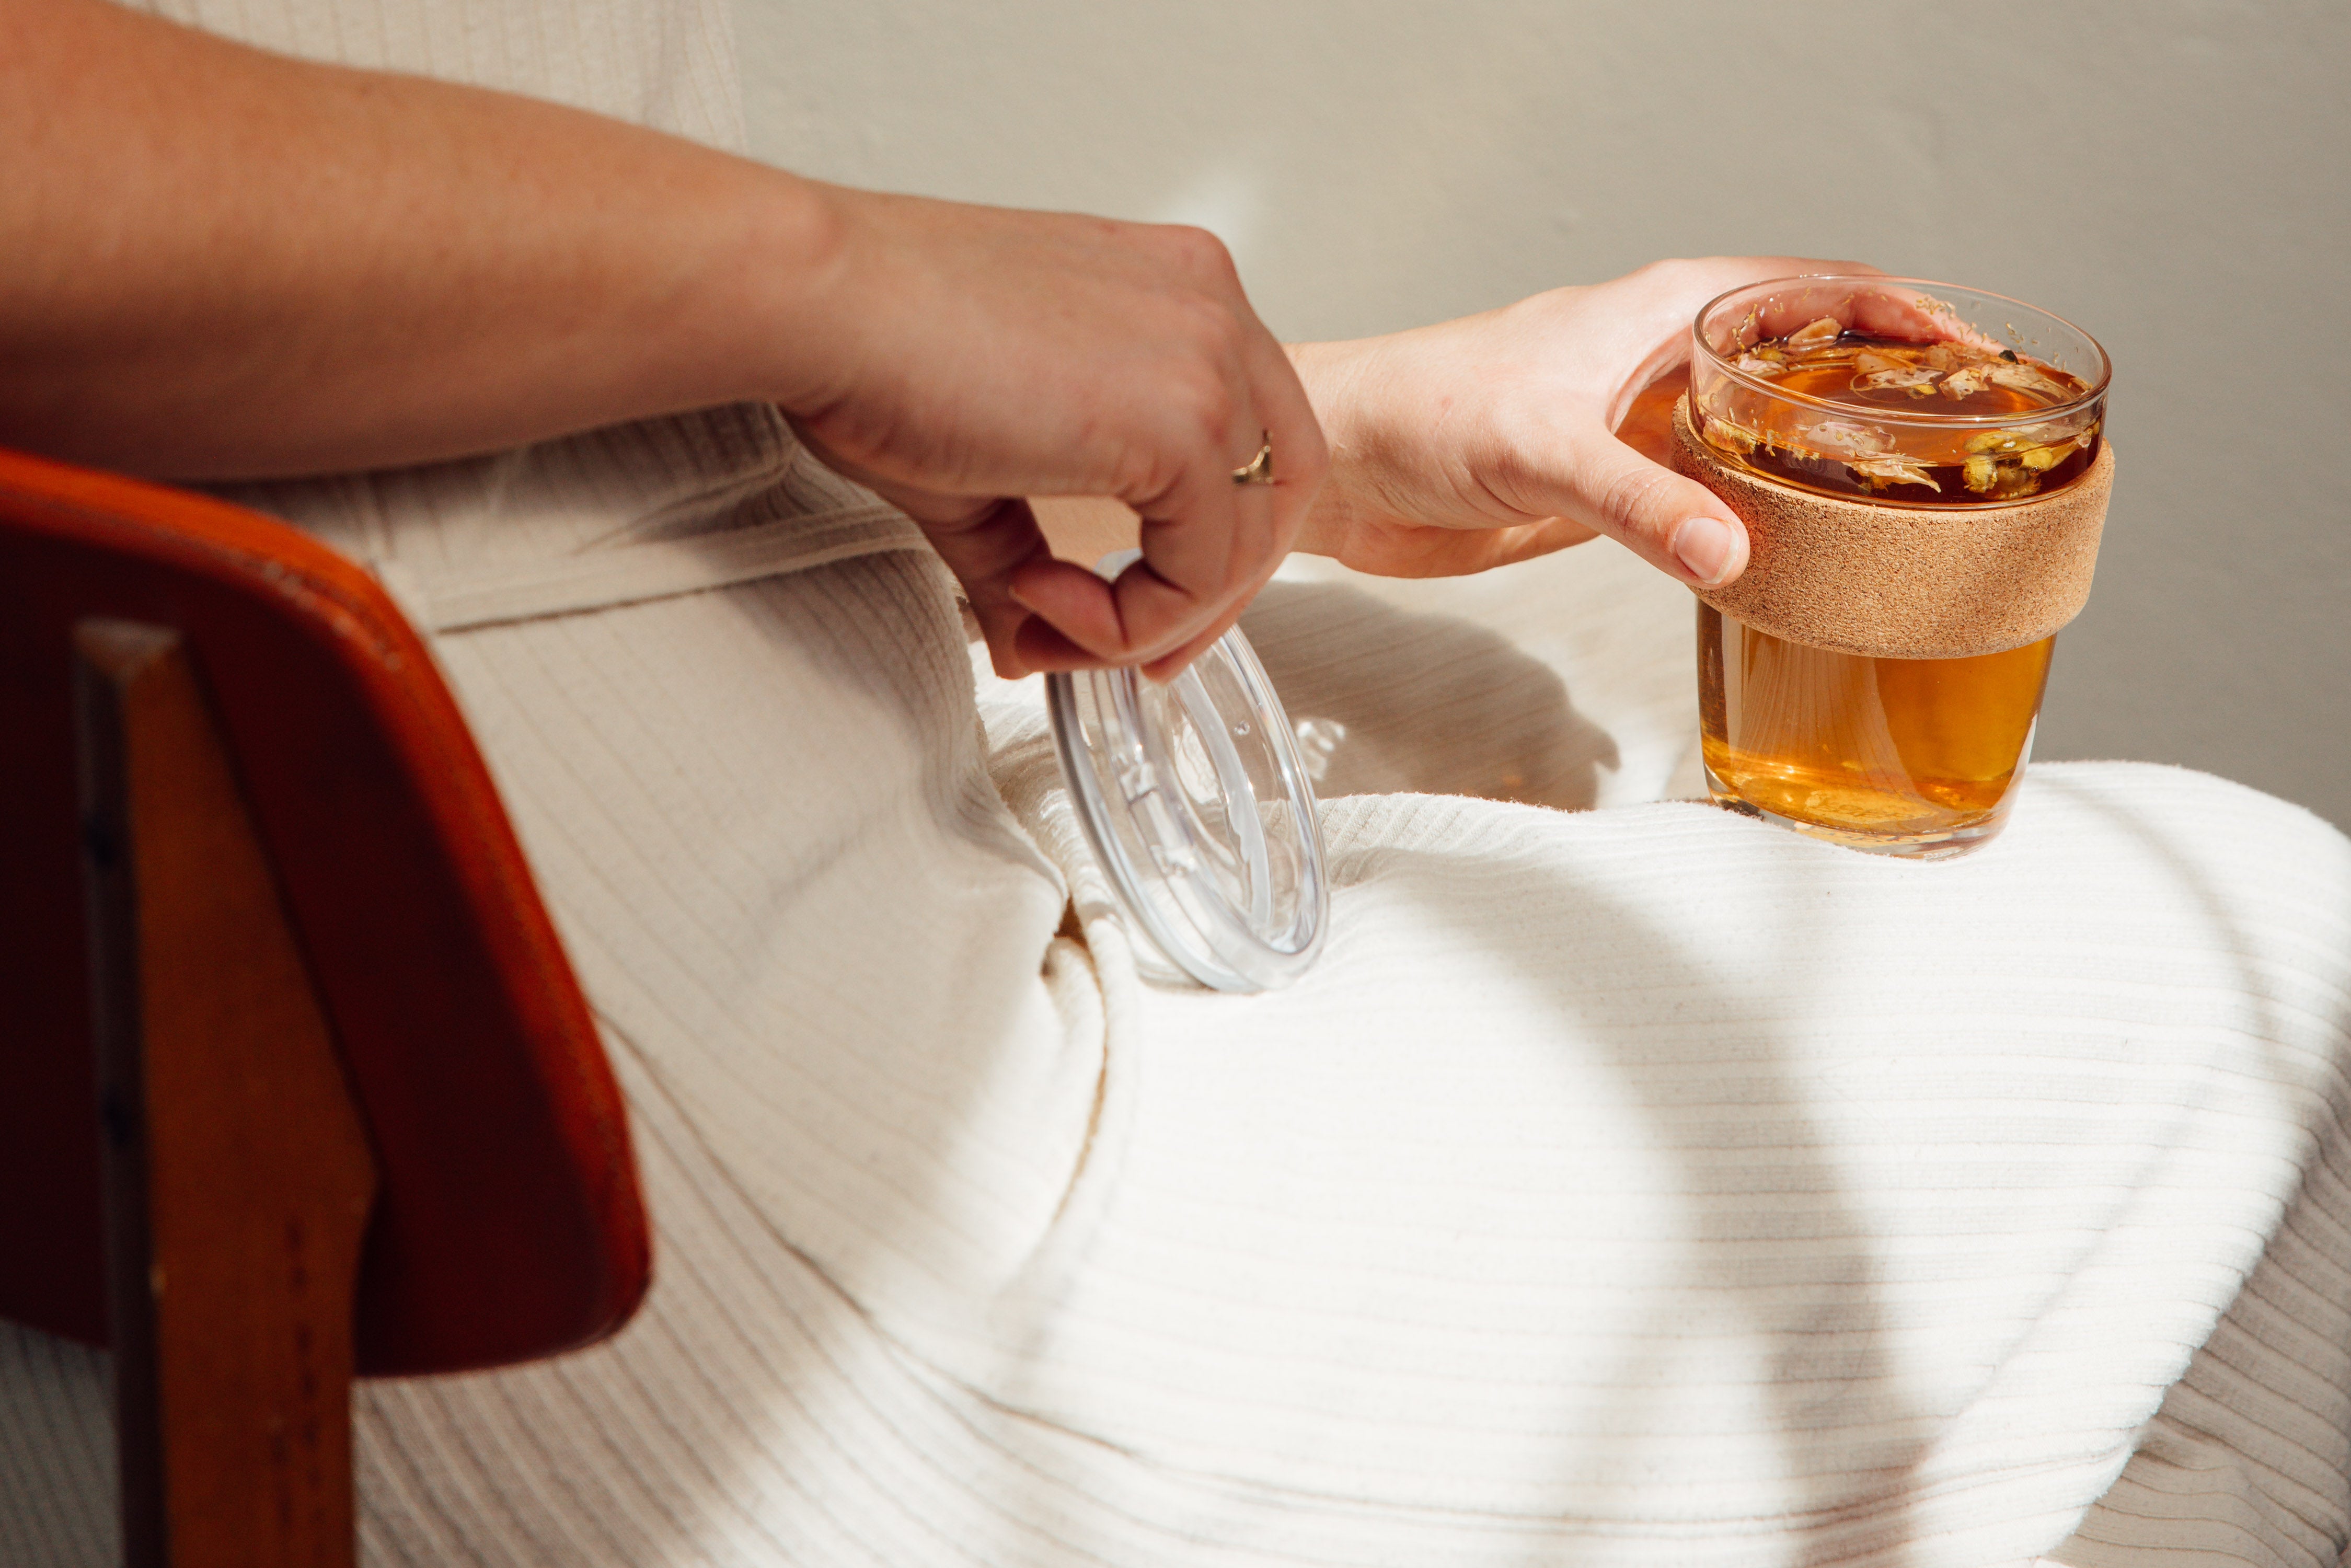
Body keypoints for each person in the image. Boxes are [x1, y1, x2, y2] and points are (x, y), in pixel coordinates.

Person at [6, 3, 2351, 1566]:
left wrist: (1318, 433)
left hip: (593, 737)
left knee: (1633, 636)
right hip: (582, 1144)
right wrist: (845, 277)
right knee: (2302, 995)